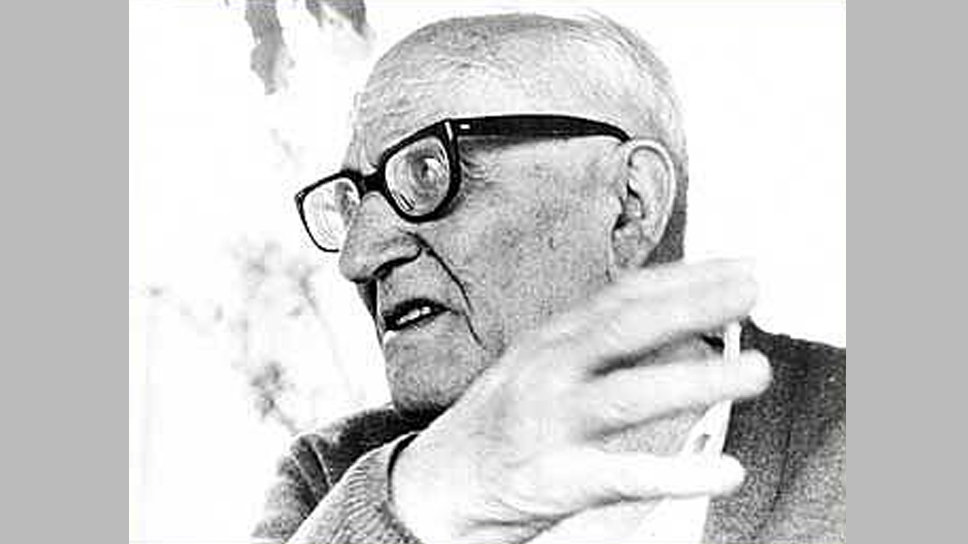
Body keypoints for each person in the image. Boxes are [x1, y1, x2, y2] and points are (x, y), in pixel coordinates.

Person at [253, 12, 845, 544]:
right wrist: (424, 502)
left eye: (428, 171)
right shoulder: (333, 479)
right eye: (351, 205)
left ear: (629, 204)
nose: (357, 257)